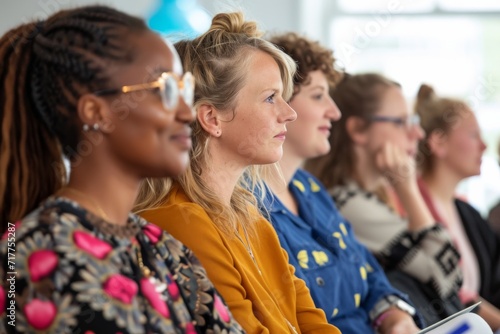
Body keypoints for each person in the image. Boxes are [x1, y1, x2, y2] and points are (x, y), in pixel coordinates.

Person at [0, 6, 243, 333]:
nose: (187, 112)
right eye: (165, 91)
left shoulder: (161, 245)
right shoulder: (37, 252)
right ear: (97, 112)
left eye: (184, 89)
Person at [136, 12, 340, 334]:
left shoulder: (252, 219)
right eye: (271, 98)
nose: (289, 113)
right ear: (212, 118)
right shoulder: (182, 222)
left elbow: (313, 322)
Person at [261, 33, 422, 334]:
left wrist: (394, 316)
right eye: (319, 95)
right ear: (278, 101)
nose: (334, 112)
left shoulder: (310, 188)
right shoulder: (245, 205)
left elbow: (369, 273)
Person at [306, 73, 464, 326]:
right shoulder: (347, 204)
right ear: (358, 129)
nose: (417, 132)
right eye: (400, 122)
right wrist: (408, 189)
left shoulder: (362, 197)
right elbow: (447, 276)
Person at [415, 84, 500, 330]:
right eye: (473, 135)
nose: (484, 146)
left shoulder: (467, 213)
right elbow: (455, 295)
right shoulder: (410, 212)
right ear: (438, 142)